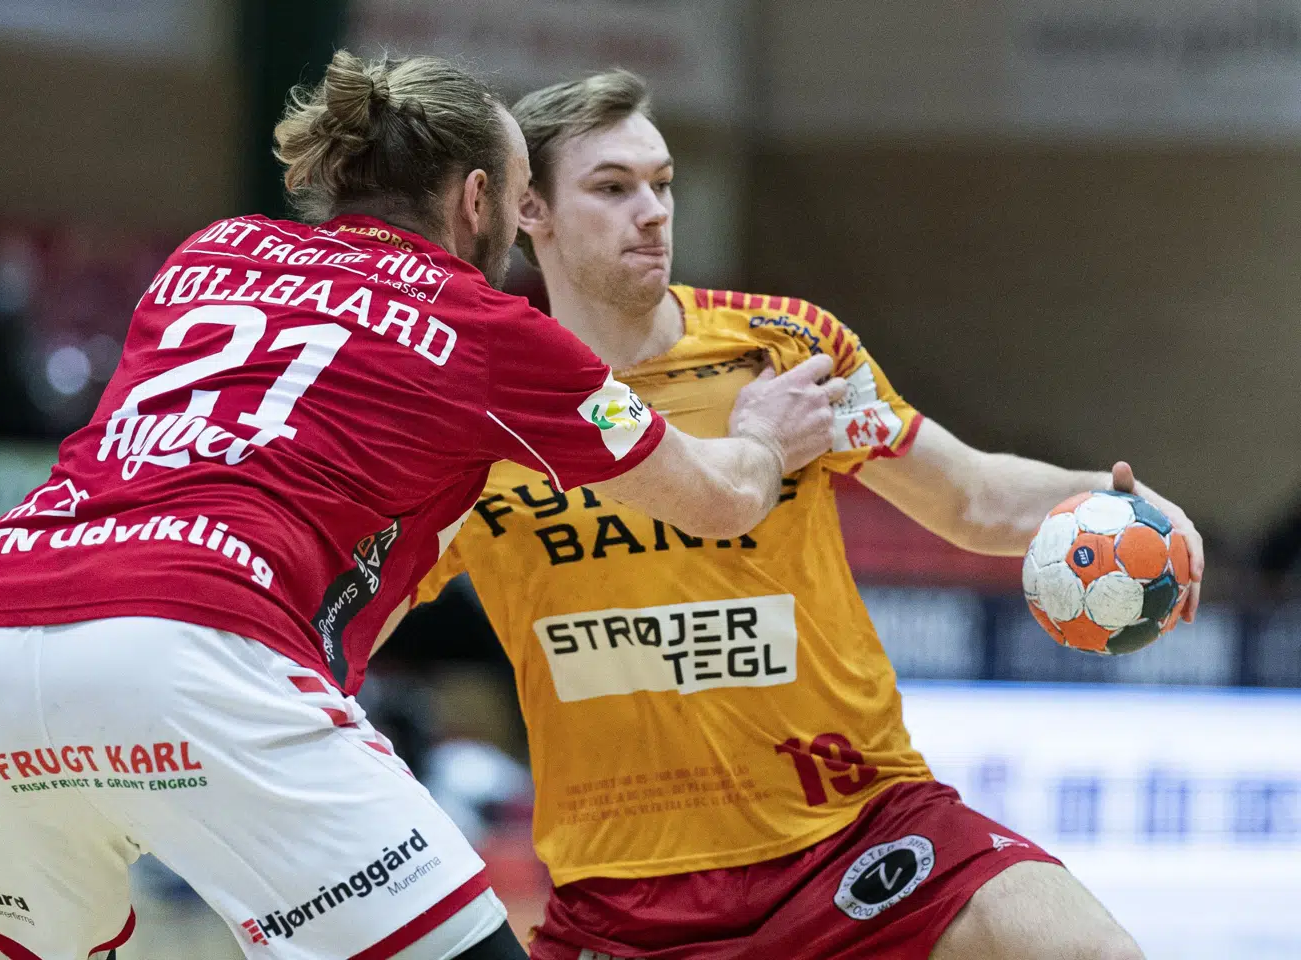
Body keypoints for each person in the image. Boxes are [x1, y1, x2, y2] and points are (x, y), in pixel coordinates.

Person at [0, 54, 842, 960]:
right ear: (476, 199)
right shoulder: (491, 330)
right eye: (519, 198)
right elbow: (718, 499)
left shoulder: (210, 252)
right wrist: (765, 438)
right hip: (195, 641)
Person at [412, 70, 1205, 960]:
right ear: (530, 210)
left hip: (858, 830)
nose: (654, 212)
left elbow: (969, 495)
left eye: (663, 184)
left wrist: (1115, 496)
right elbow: (363, 602)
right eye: (613, 187)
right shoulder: (479, 405)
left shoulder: (785, 347)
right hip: (629, 893)